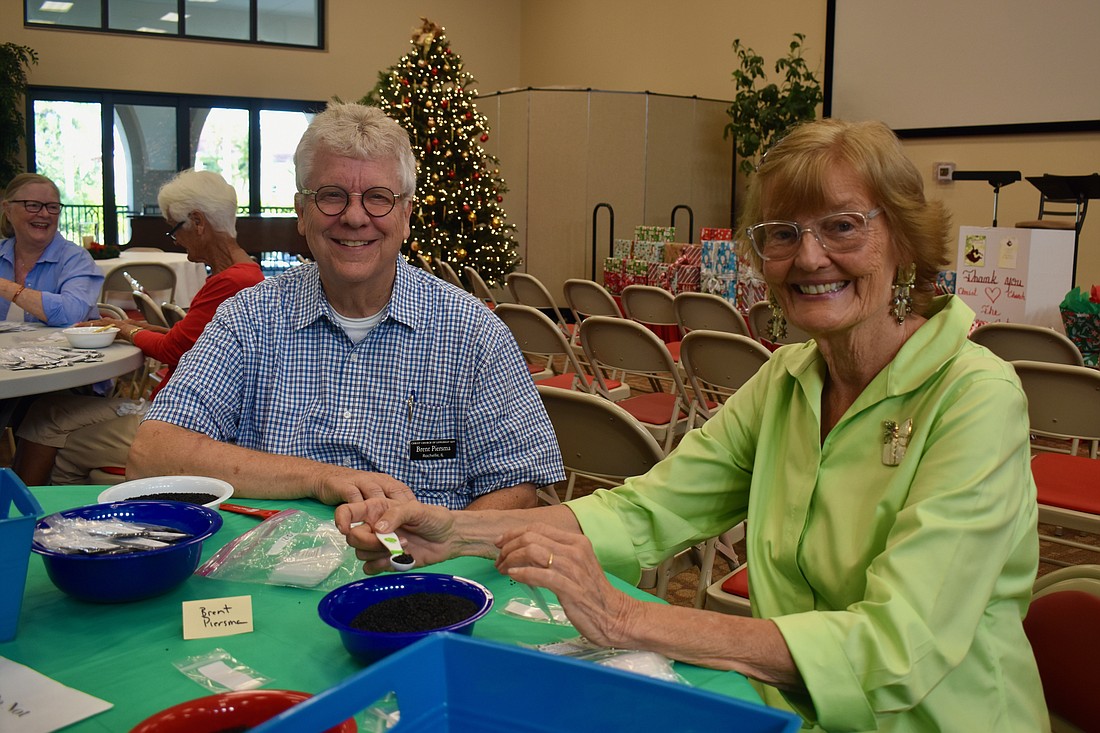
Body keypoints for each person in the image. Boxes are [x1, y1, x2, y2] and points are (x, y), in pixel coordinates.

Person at [335, 119, 1048, 731]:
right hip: (791, 710)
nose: (808, 256)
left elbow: (898, 646)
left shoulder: (974, 398)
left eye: (842, 225)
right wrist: (452, 530)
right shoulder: (789, 379)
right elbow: (649, 509)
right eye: (782, 233)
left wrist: (625, 618)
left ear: (905, 239)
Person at [127, 101, 564, 509]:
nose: (355, 217)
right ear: (302, 212)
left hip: (418, 574)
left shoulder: (473, 334)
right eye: (332, 195)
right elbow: (152, 454)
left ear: (406, 216)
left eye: (378, 197)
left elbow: (517, 485)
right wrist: (318, 478)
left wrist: (441, 546)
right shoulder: (248, 318)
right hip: (265, 569)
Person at [13, 169, 264, 485]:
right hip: (178, 409)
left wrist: (125, 330)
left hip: (181, 421)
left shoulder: (232, 282)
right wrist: (122, 324)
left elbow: (173, 349)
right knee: (44, 412)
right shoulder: (244, 273)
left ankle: (45, 517)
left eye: (175, 228)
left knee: (53, 434)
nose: (175, 239)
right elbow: (189, 339)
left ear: (199, 223)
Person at [1, 173, 102, 326]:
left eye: (52, 207)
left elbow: (72, 315)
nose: (44, 214)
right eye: (33, 205)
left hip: (66, 349)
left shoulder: (76, 259)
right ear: (8, 210)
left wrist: (6, 288)